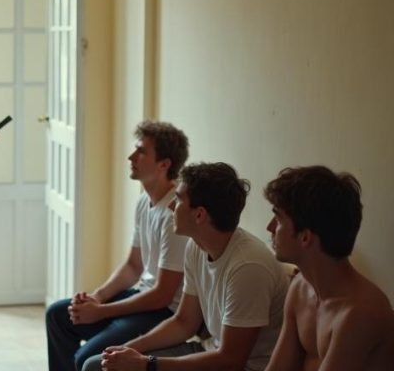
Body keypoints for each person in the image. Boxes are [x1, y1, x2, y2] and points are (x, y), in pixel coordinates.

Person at [85, 162, 289, 371]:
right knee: (96, 364)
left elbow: (231, 360)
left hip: (243, 367)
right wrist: (129, 349)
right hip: (208, 352)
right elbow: (184, 322)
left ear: (199, 214)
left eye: (179, 198)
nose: (171, 206)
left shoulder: (248, 266)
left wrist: (146, 364)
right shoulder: (196, 246)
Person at [45, 121, 190, 371]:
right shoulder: (144, 201)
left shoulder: (173, 214)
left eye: (141, 151)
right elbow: (133, 266)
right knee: (58, 315)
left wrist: (101, 311)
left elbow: (162, 295)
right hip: (141, 296)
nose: (131, 157)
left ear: (164, 164)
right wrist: (97, 297)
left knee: (86, 357)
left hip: (163, 312)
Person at [264, 166, 394, 371]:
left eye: (278, 219)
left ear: (305, 237)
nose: (270, 227)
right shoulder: (300, 287)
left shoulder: (359, 313)